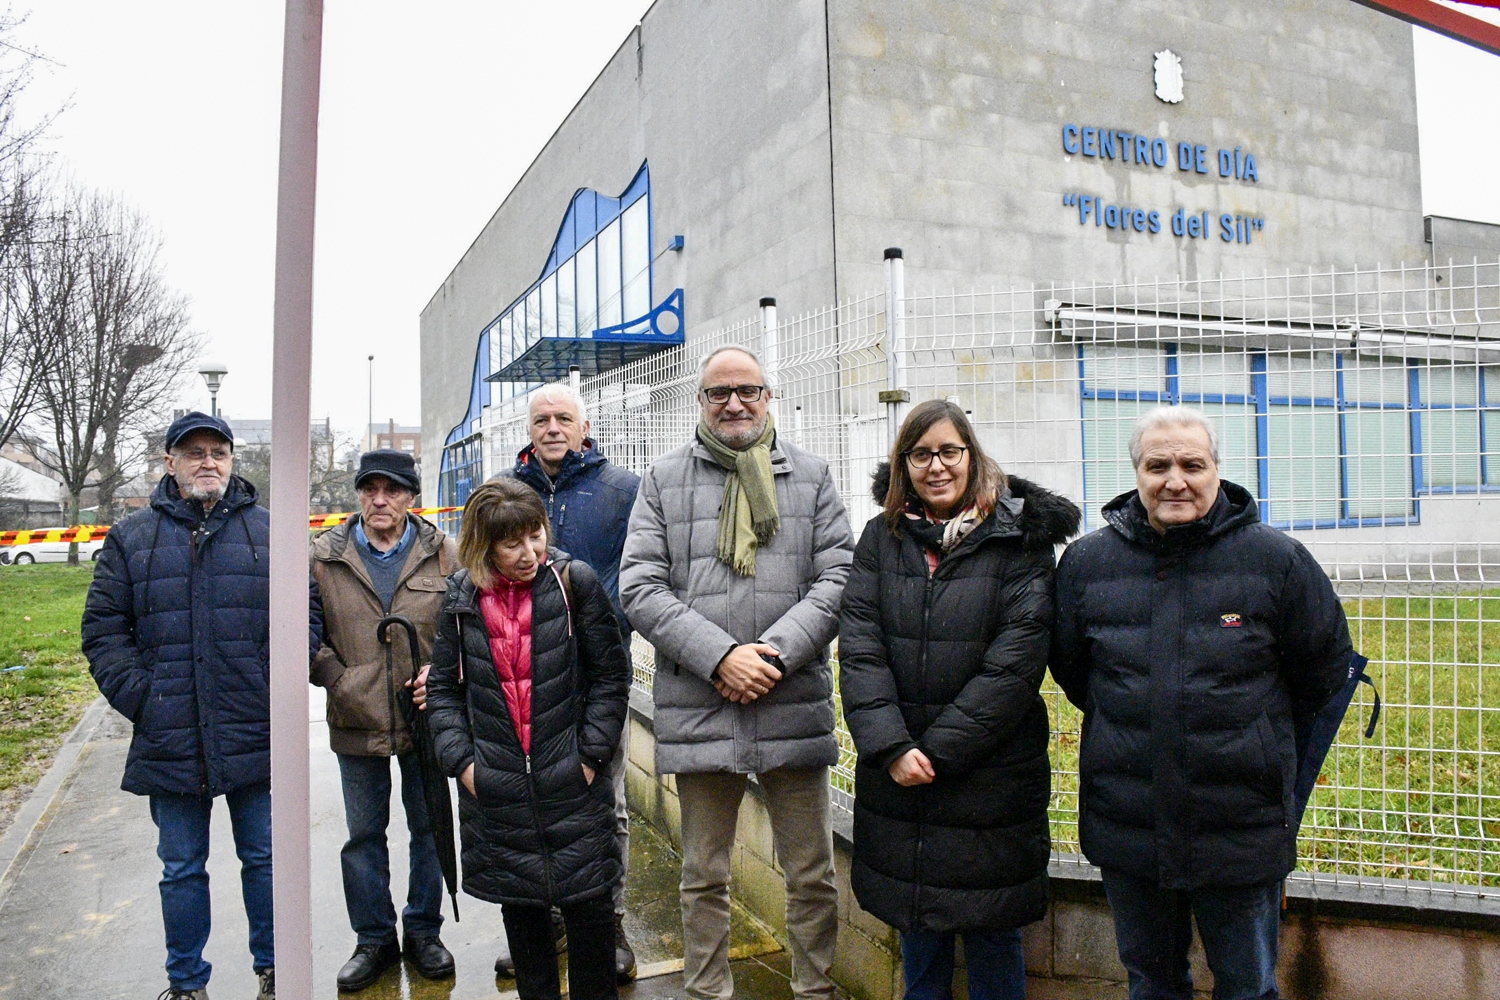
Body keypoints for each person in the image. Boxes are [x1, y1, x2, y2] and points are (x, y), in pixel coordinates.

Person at [1049, 405, 1354, 1000]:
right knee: (1154, 983)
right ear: (1136, 472)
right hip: (1129, 821)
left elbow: (1322, 673)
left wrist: (1256, 743)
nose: (1175, 479)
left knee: (1246, 986)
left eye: (1193, 464)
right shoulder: (1086, 564)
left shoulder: (1277, 560)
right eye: (1157, 464)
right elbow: (1074, 671)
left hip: (1238, 824)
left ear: (1218, 470)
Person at [620, 345, 854, 1000]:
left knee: (812, 875)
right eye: (719, 393)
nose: (734, 403)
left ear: (768, 397)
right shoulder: (663, 481)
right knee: (703, 876)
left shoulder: (811, 476)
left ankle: (814, 989)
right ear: (700, 402)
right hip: (702, 702)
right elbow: (638, 586)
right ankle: (706, 991)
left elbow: (840, 579)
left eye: (747, 390)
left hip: (790, 697)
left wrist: (772, 654)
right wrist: (721, 656)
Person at [839, 399, 1080, 1000]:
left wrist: (938, 752)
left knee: (994, 937)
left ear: (971, 455)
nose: (936, 466)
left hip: (988, 777)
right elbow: (861, 646)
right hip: (902, 778)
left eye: (949, 451)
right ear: (904, 465)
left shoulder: (1020, 540)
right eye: (920, 454)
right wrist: (893, 746)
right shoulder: (882, 537)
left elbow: (1016, 663)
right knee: (920, 939)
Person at [82, 411, 315, 1000]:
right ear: (170, 462)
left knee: (264, 859)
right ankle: (186, 982)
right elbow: (104, 631)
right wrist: (145, 698)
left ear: (233, 461)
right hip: (171, 730)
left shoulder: (272, 532)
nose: (207, 462)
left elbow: (305, 619)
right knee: (181, 867)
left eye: (218, 451)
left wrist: (271, 690)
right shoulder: (131, 538)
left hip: (252, 725)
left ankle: (274, 970)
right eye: (194, 453)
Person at [424, 478, 631, 1000]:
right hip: (497, 793)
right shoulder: (461, 598)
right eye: (511, 543)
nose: (530, 552)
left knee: (591, 923)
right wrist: (465, 765)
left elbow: (611, 676)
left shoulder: (573, 582)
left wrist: (589, 756)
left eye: (535, 535)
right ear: (483, 545)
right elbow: (443, 690)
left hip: (572, 786)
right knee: (527, 938)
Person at [500, 381, 641, 981]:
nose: (552, 427)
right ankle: (547, 921)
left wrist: (605, 630)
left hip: (597, 676)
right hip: (521, 677)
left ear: (584, 427)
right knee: (534, 808)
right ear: (528, 430)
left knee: (605, 806)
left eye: (563, 418)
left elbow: (641, 573)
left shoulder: (624, 490)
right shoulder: (505, 493)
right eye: (541, 419)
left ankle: (607, 924)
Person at [309, 449, 458, 990]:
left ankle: (424, 932)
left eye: (392, 489)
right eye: (370, 488)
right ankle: (373, 938)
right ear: (358, 495)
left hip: (425, 718)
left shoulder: (444, 555)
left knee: (429, 828)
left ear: (411, 498)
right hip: (356, 717)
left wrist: (444, 675)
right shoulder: (323, 556)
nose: (379, 499)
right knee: (364, 835)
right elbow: (306, 632)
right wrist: (338, 679)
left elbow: (466, 631)